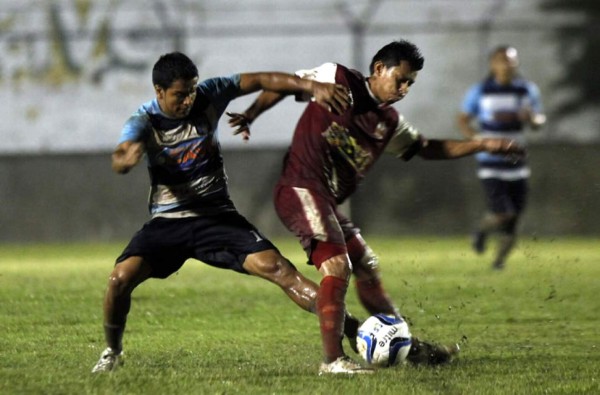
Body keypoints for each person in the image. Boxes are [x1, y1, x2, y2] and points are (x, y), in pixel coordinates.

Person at [228, 40, 524, 371]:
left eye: (411, 83)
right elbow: (286, 85)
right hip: (300, 188)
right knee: (338, 266)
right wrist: (252, 114)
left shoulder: (389, 123)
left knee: (366, 264)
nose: (405, 88)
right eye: (401, 79)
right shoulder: (338, 78)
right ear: (379, 68)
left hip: (324, 200)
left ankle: (407, 347)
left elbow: (425, 147)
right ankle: (333, 361)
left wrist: (483, 144)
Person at [91, 51, 371, 375]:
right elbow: (121, 155)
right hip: (168, 223)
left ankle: (352, 330)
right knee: (118, 279)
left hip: (218, 218)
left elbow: (263, 80)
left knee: (280, 270)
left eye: (192, 91)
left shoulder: (210, 95)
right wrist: (125, 161)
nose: (188, 100)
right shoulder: (143, 121)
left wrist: (311, 86)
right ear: (159, 92)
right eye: (180, 95)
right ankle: (112, 351)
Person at [458, 45, 545, 269]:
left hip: (517, 163)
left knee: (515, 217)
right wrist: (480, 140)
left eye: (510, 60)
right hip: (491, 164)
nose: (506, 64)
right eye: (501, 60)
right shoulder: (481, 91)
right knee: (503, 212)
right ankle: (481, 231)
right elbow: (463, 120)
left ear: (516, 63)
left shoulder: (526, 90)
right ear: (492, 64)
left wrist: (533, 119)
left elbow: (538, 121)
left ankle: (499, 263)